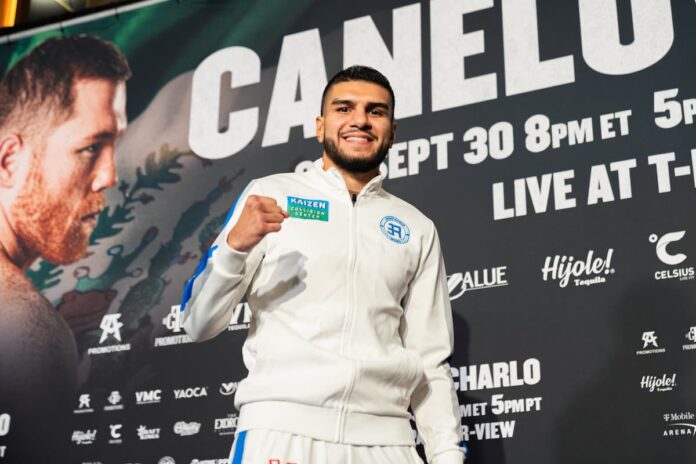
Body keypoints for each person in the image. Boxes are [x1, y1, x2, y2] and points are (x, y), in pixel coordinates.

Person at [181, 66, 464, 464]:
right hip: (282, 433)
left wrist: (447, 455)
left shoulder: (416, 227)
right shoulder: (270, 195)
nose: (360, 120)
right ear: (320, 126)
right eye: (344, 108)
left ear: (392, 131)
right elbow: (197, 323)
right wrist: (233, 247)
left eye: (376, 111)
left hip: (388, 443)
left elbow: (429, 360)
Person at [0, 34, 130, 460]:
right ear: (9, 162)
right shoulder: (27, 328)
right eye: (90, 148)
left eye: (114, 146)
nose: (108, 176)